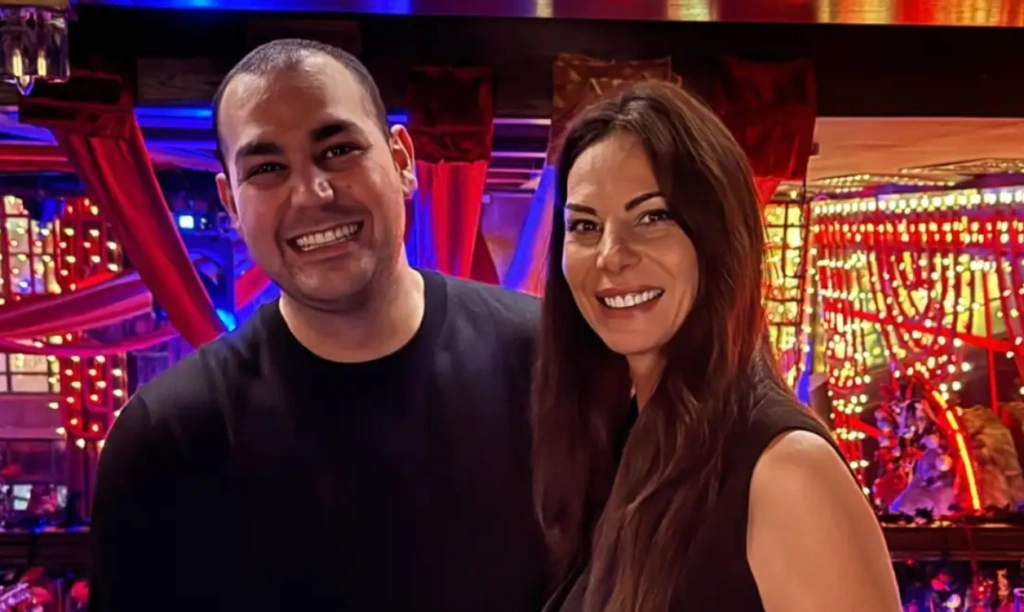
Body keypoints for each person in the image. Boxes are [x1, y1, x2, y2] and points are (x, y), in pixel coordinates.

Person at [89, 39, 546, 611]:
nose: (310, 194)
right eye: (267, 169)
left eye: (338, 150)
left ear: (402, 161)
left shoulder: (545, 364)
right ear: (230, 203)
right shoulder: (167, 435)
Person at [532, 80, 900, 612]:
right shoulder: (622, 445)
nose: (611, 255)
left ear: (720, 236)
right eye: (585, 225)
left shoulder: (787, 471)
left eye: (652, 217)